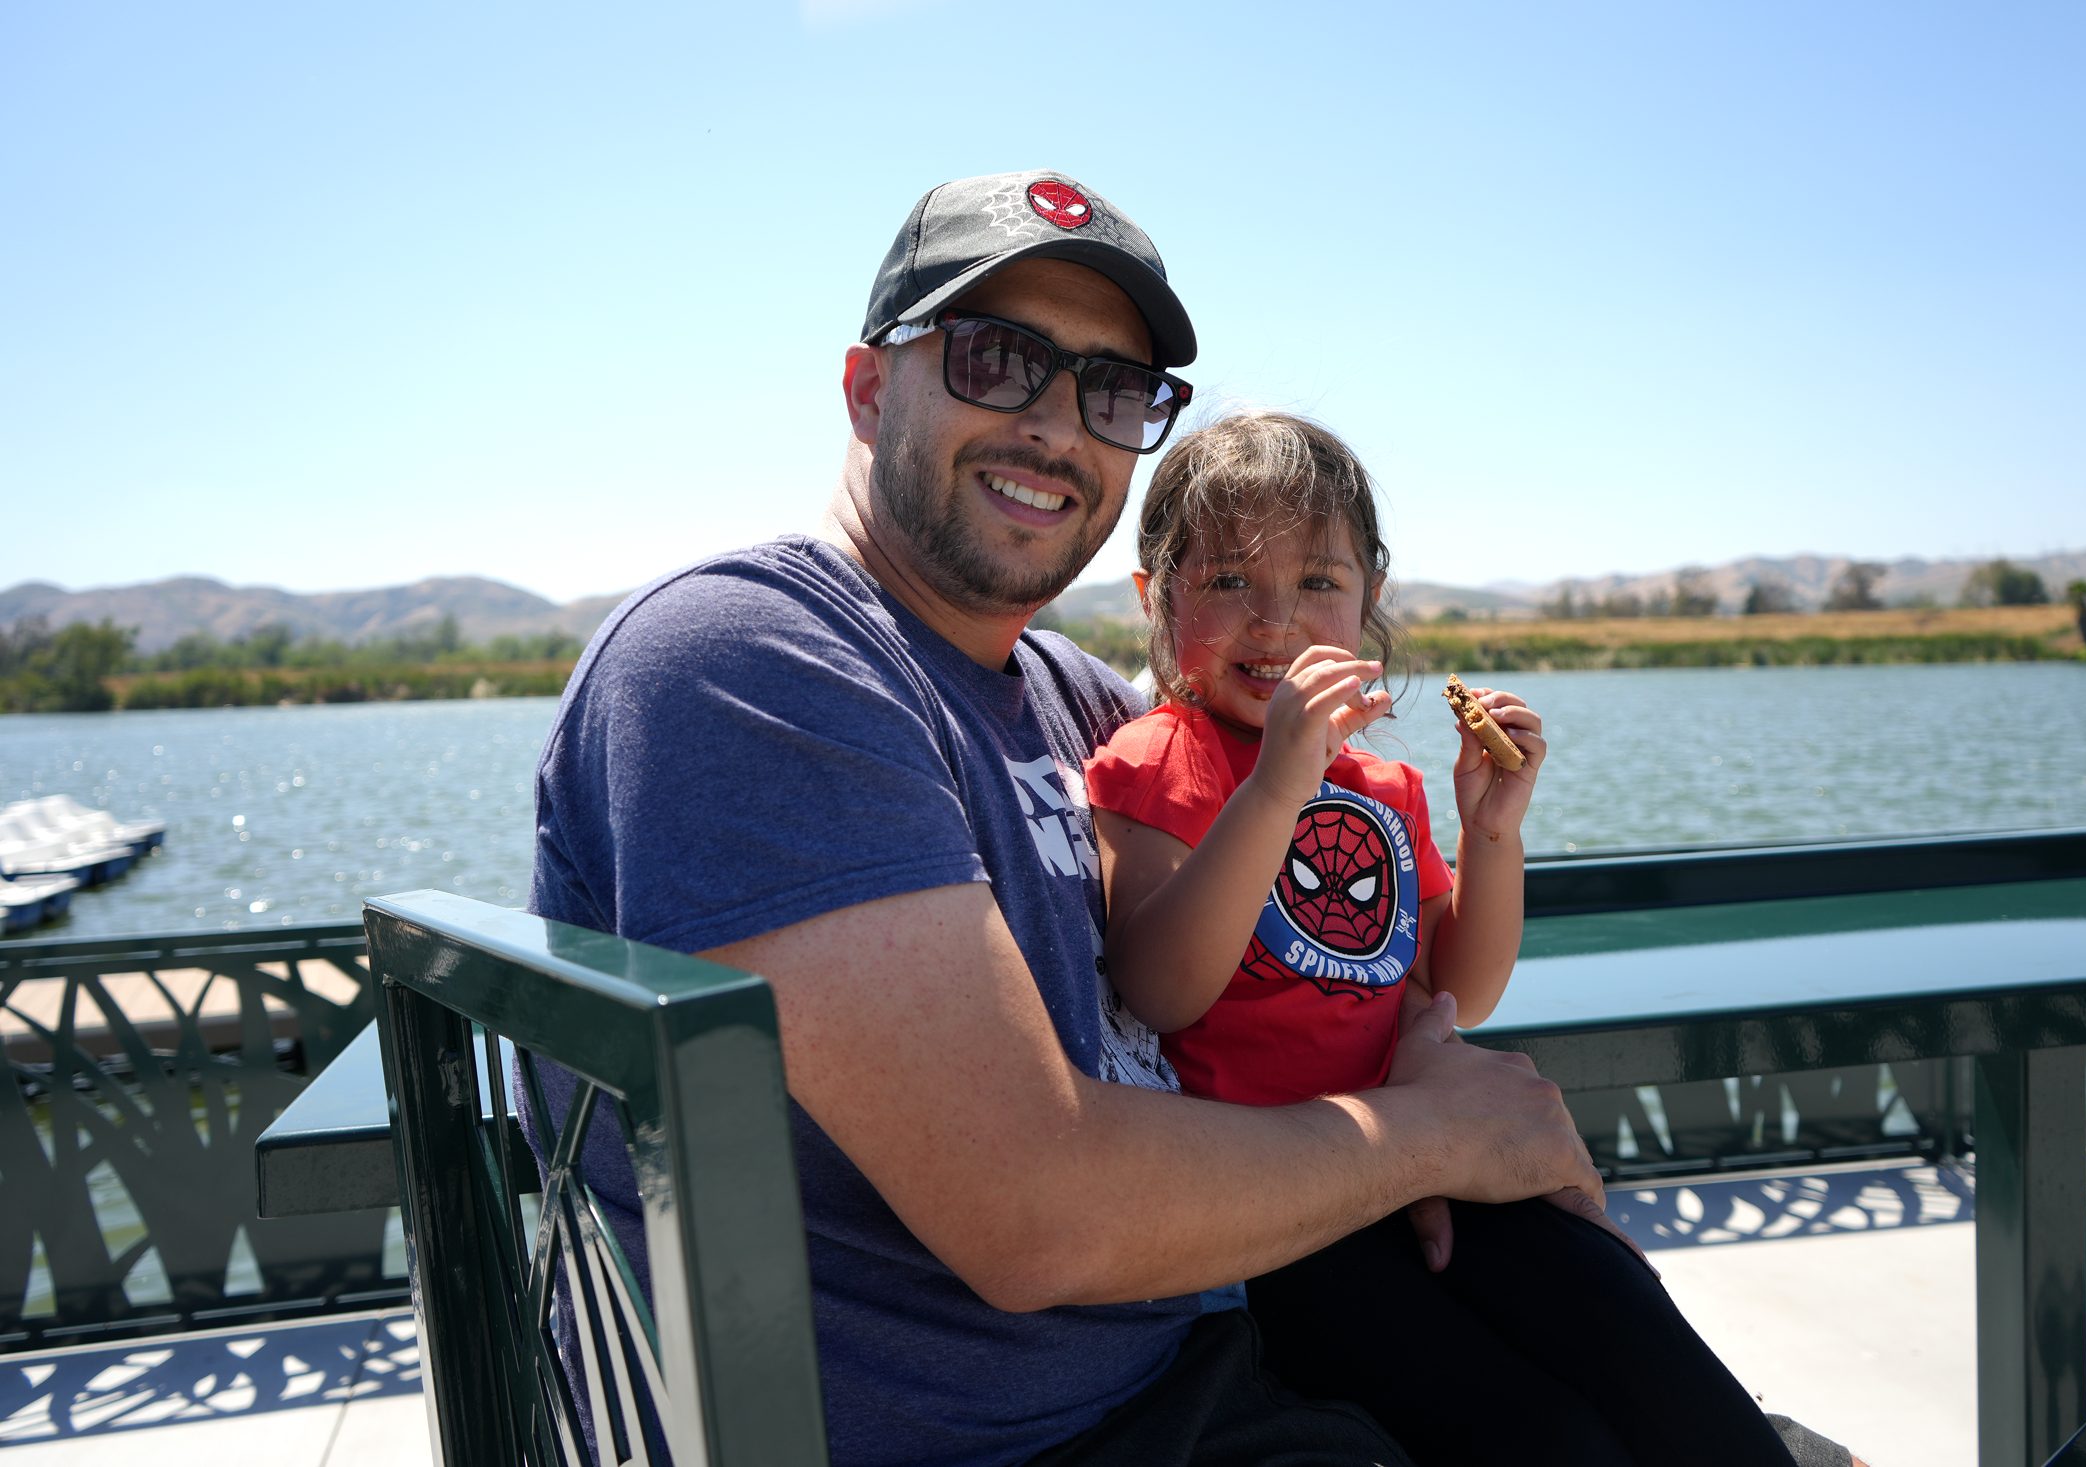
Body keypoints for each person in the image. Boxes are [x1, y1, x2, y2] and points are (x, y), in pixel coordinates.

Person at [525, 169, 1848, 1466]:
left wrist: (1433, 1072)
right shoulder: (750, 658)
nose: (1058, 422)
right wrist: (1433, 1136)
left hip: (1211, 1352)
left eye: (1112, 389)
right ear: (872, 389)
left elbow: (1351, 941)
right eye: (996, 357)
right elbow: (1034, 1211)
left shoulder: (1062, 695)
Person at [1085, 411, 1858, 1466]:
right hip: (1279, 1223)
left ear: (1367, 604)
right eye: (1226, 581)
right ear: (1152, 596)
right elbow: (1161, 985)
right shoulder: (1155, 760)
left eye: (1318, 583)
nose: (1274, 620)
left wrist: (1492, 831)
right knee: (1546, 1440)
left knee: (1638, 1339)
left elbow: (1464, 987)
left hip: (1439, 1166)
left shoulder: (1386, 788)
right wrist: (1275, 788)